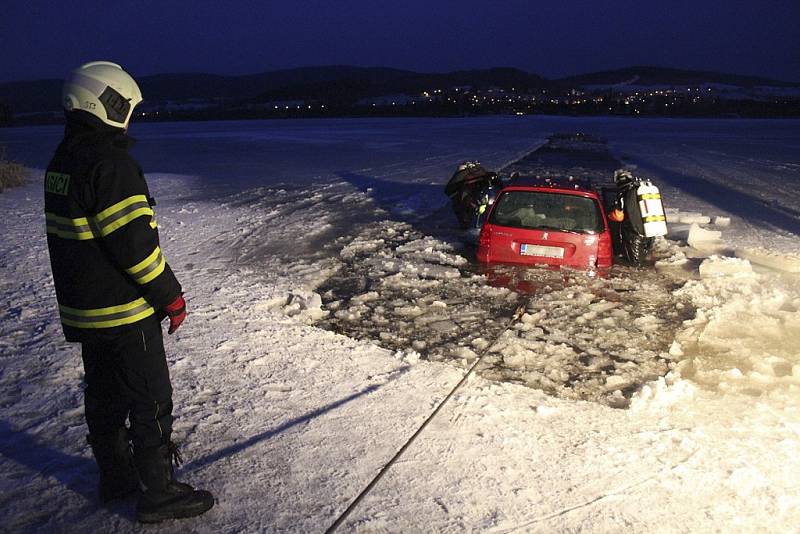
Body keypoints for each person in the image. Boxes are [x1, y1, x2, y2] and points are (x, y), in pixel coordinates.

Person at [44, 61, 214, 523]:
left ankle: (116, 476)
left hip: (85, 311)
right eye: (125, 105)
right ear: (106, 102)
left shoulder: (63, 159)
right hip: (123, 311)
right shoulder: (109, 164)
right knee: (149, 397)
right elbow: (136, 250)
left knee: (103, 394)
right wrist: (171, 296)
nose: (129, 115)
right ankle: (158, 492)